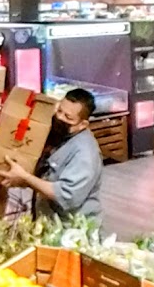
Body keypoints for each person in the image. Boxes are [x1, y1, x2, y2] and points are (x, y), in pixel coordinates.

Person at [33, 87, 105, 224]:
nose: (59, 118)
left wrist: (25, 179)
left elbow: (66, 196)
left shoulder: (85, 153)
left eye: (68, 117)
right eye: (59, 111)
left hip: (72, 231)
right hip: (48, 222)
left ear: (82, 124)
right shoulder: (59, 136)